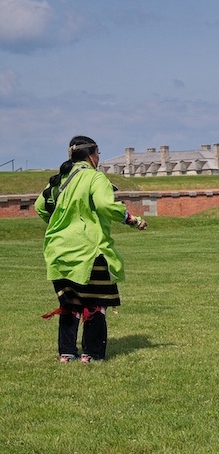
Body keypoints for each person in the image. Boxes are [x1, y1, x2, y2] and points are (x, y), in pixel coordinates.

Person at [35, 135, 148, 363]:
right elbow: (106, 205)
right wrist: (130, 219)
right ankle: (91, 354)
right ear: (91, 155)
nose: (98, 158)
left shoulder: (58, 179)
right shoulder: (95, 178)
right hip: (89, 252)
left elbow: (40, 207)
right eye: (98, 154)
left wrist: (63, 225)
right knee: (96, 304)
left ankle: (67, 354)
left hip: (58, 252)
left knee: (70, 305)